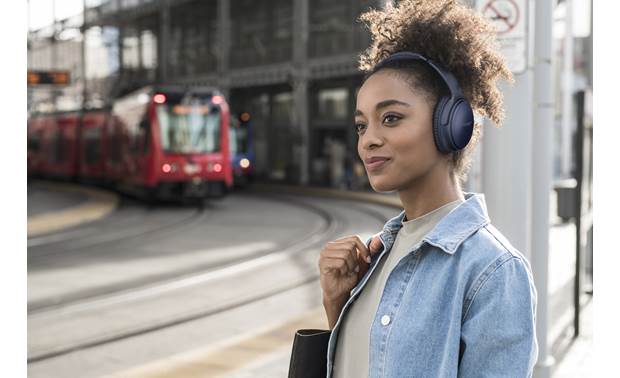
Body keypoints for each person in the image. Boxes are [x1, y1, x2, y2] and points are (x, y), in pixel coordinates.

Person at [316, 0, 538, 377]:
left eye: (391, 118)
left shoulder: (494, 271)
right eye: (361, 126)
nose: (369, 139)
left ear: (451, 124)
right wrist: (336, 303)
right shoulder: (377, 256)